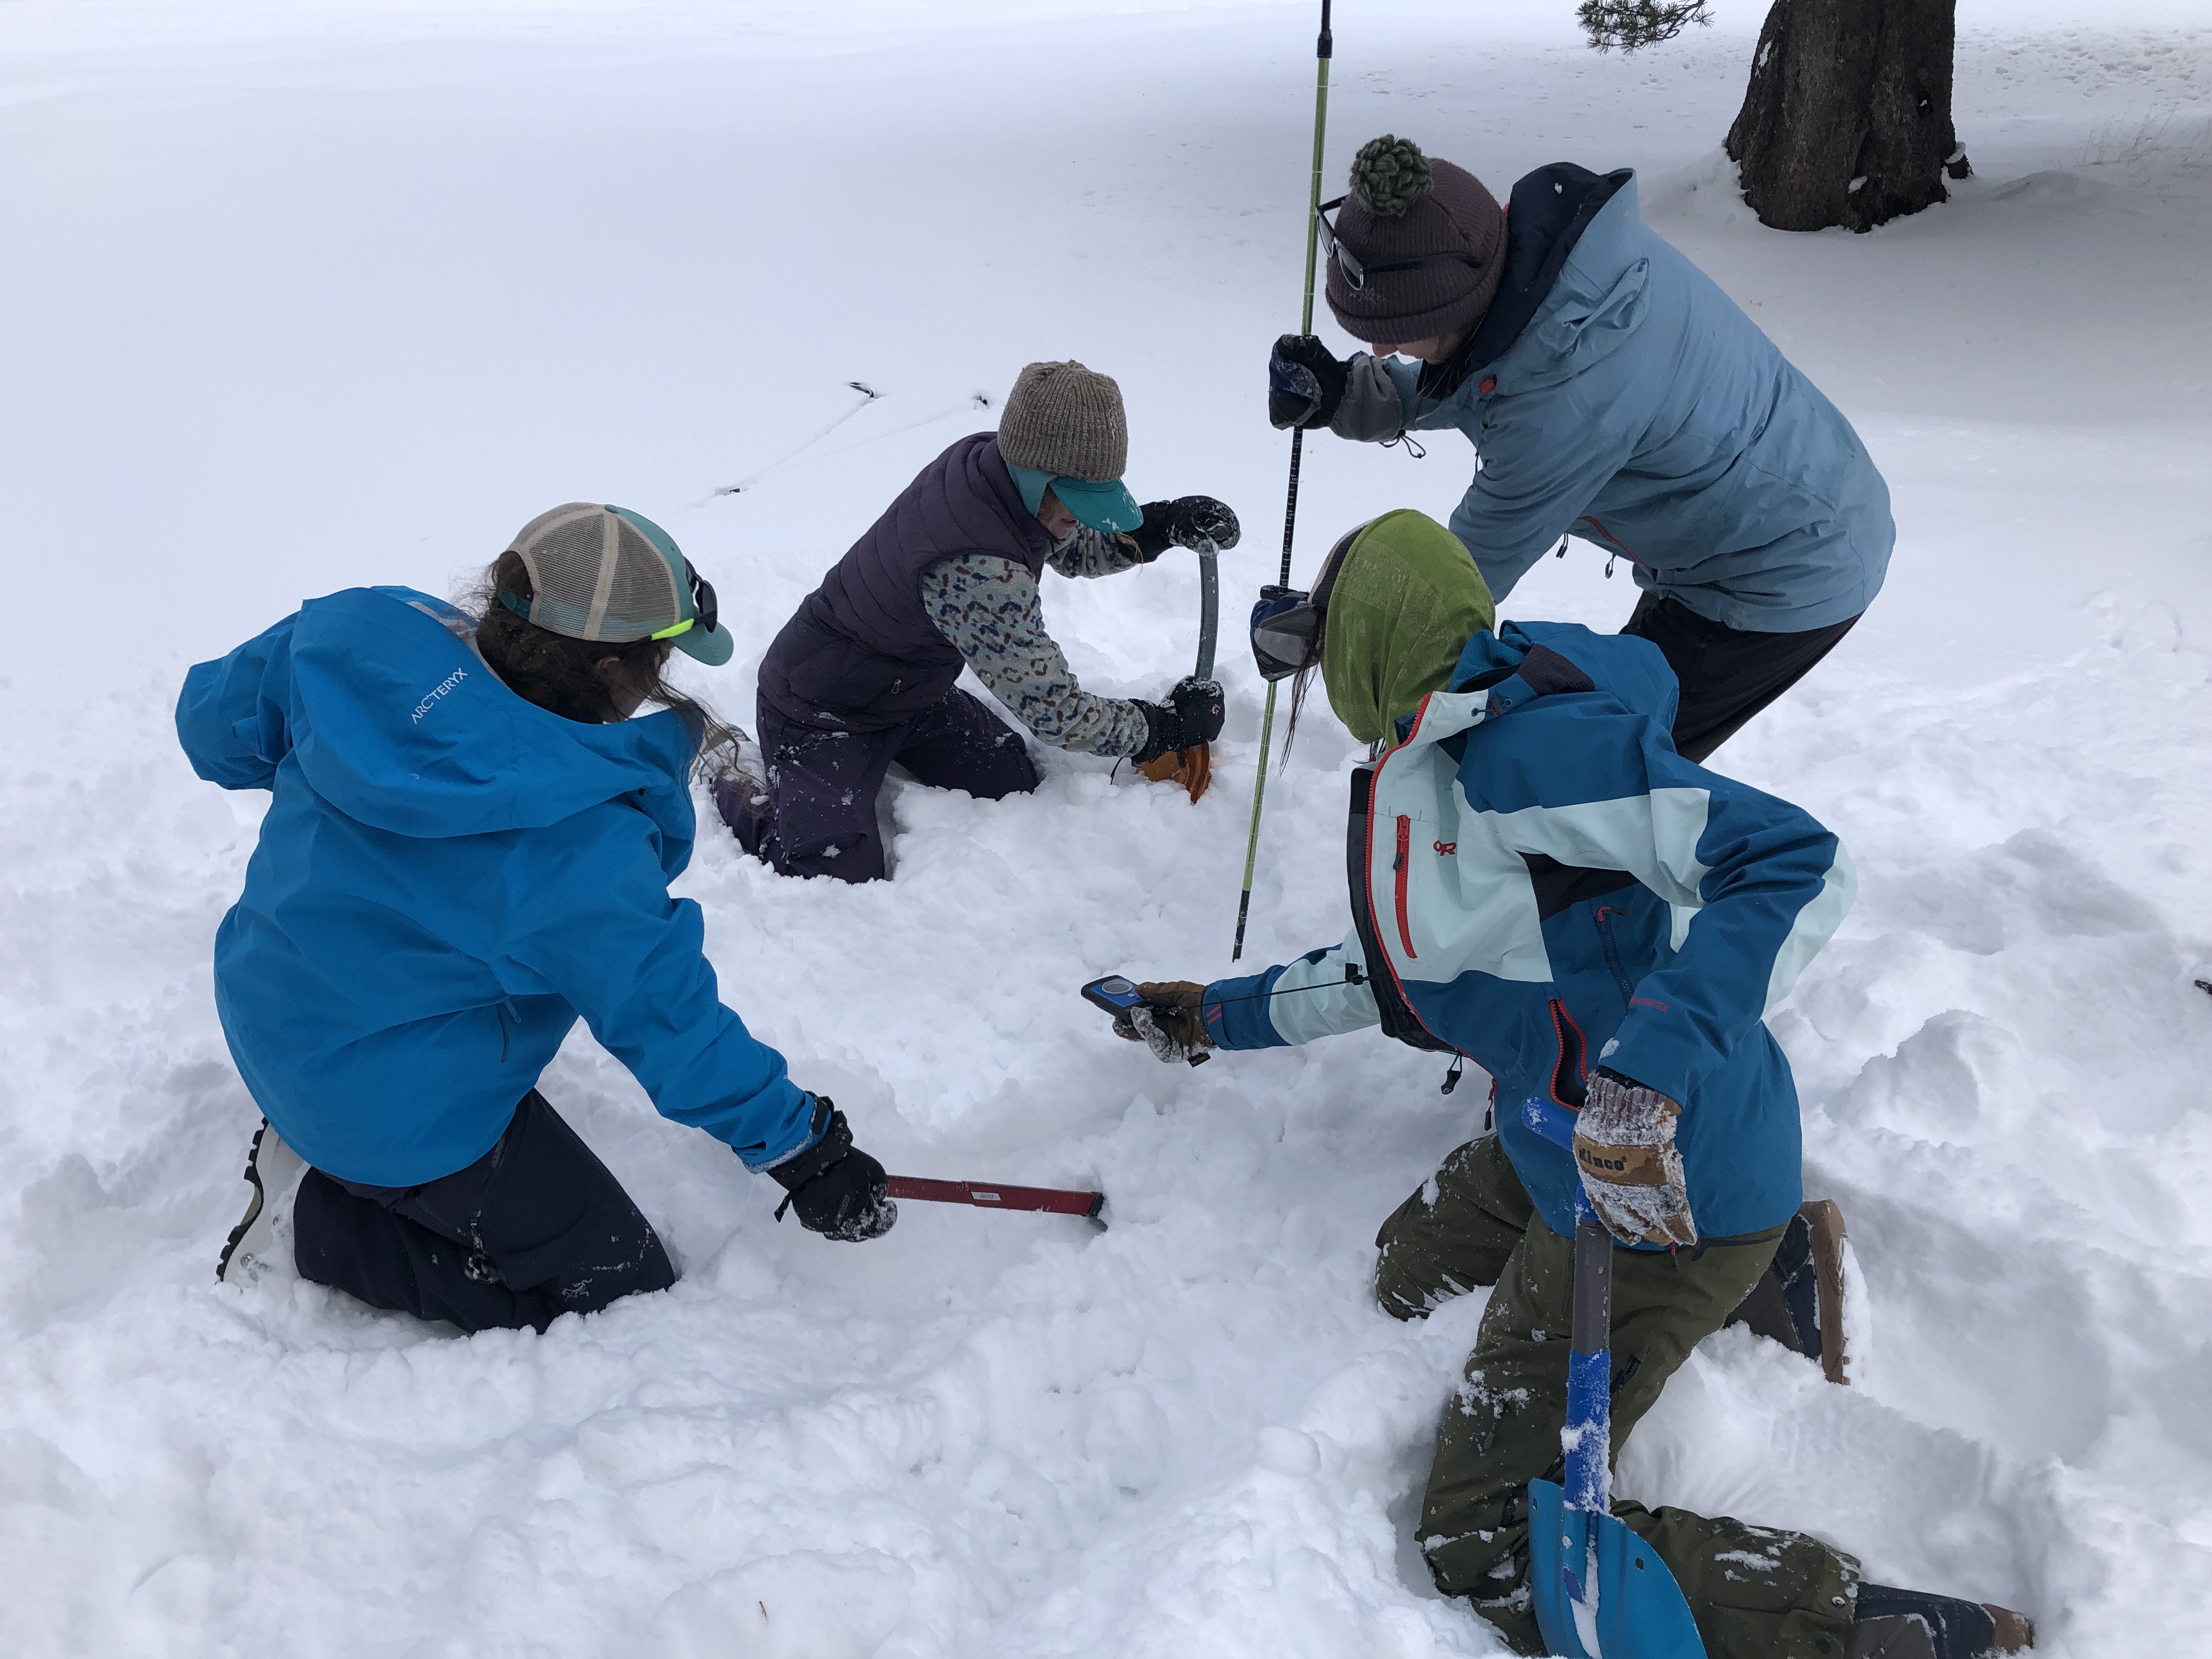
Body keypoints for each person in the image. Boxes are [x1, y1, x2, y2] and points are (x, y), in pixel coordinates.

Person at [1119, 511, 2029, 1659]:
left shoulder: (1528, 756)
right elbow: (1401, 966)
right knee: (1405, 1273)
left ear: (1370, 641)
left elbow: (1791, 859)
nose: (1311, 675)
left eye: (1321, 640)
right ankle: (1764, 1265)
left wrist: (1647, 1071)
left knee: (1481, 1541)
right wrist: (1215, 1015)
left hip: (1660, 1176)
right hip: (1559, 1132)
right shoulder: (1434, 755)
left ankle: (1859, 1625)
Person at [178, 502, 896, 1335]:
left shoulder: (361, 634)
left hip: (269, 1001)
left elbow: (213, 729)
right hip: (380, 1111)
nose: (661, 675)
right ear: (608, 669)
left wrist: (362, 764)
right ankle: (323, 1223)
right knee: (620, 1290)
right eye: (659, 654)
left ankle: (332, 1138)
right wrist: (803, 1153)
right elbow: (668, 1022)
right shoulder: (575, 842)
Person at [1267, 135, 1893, 763]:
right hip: (1768, 499)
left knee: (1606, 780)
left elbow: (1448, 582)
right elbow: (1487, 366)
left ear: (1458, 302)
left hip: (1785, 565)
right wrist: (1347, 395)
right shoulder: (1544, 266)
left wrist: (1323, 628)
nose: (1380, 351)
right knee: (1590, 757)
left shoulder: (1565, 400)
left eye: (1397, 334)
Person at [724, 359, 1236, 882]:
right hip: (820, 705)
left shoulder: (997, 466)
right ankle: (737, 780)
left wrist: (1157, 528)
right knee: (833, 875)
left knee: (1013, 784)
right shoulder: (978, 570)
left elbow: (1070, 547)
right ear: (1037, 477)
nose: (1084, 520)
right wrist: (1161, 728)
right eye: (1080, 503)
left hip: (912, 691)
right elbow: (1056, 712)